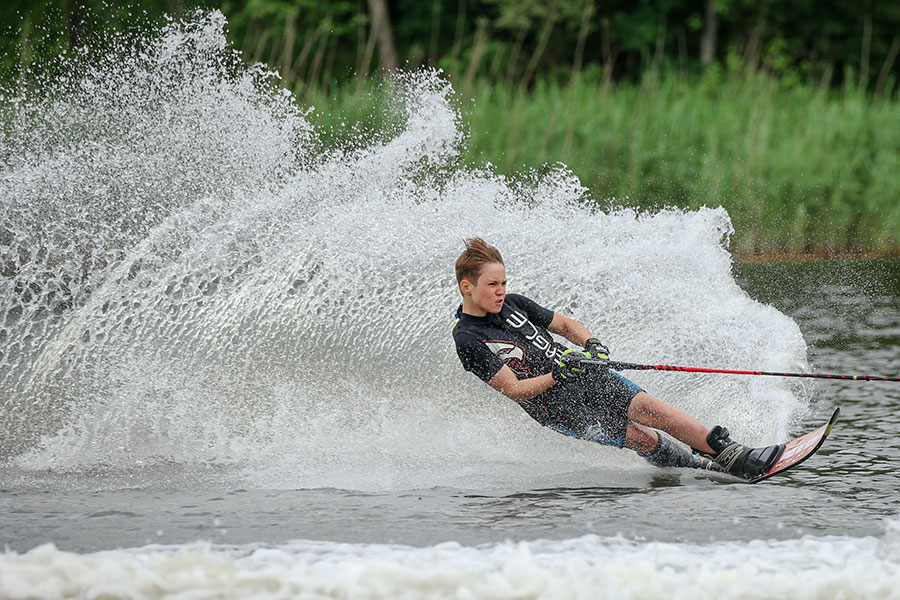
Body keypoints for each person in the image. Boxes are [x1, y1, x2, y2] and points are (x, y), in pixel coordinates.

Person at [451, 237, 783, 479]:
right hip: (557, 407)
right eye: (492, 284)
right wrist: (557, 376)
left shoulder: (514, 304)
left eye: (504, 282)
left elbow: (566, 325)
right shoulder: (467, 338)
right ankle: (702, 469)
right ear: (467, 287)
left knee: (653, 411)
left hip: (587, 375)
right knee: (642, 438)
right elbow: (513, 389)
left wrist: (591, 344)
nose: (501, 290)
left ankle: (734, 455)